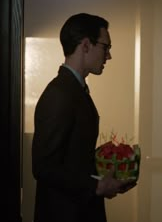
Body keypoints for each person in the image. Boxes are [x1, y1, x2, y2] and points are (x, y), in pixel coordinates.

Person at [32, 13, 136, 222]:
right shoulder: (60, 93)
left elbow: (70, 156)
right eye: (106, 47)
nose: (109, 56)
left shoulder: (73, 89)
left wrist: (104, 157)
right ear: (86, 45)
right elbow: (43, 167)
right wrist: (98, 185)